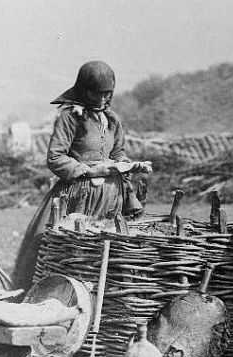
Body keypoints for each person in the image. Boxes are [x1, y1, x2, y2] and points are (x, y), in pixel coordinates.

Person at [11, 61, 151, 292]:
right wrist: (89, 170)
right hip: (79, 197)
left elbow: (118, 154)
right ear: (84, 90)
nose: (104, 99)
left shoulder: (112, 120)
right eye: (98, 93)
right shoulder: (70, 118)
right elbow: (55, 157)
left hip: (111, 198)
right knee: (71, 254)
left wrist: (133, 165)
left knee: (104, 255)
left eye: (108, 94)